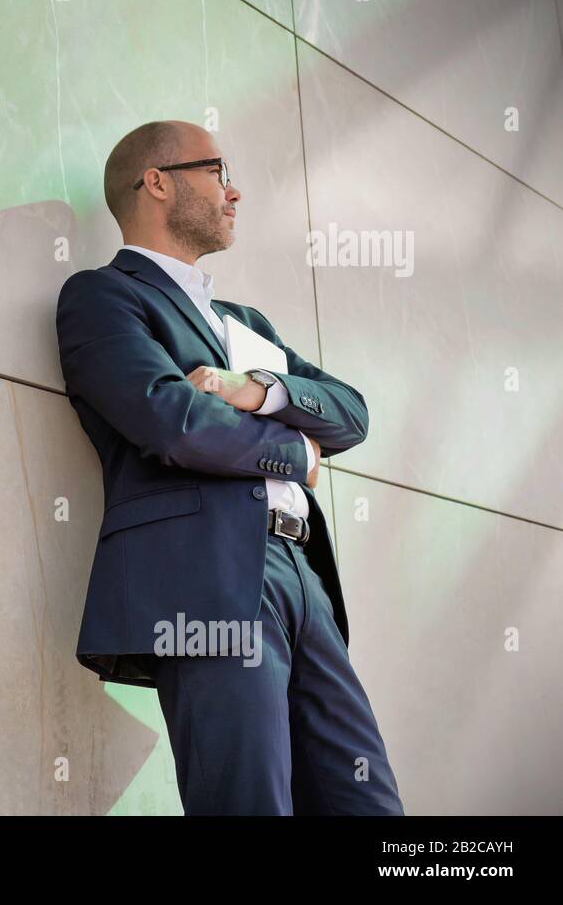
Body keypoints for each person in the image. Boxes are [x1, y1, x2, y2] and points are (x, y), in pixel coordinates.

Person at [55, 120, 403, 815]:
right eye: (218, 171)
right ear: (156, 182)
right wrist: (296, 450)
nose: (234, 190)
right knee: (248, 801)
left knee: (370, 804)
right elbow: (171, 420)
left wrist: (257, 389)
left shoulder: (248, 326)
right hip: (210, 583)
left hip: (305, 579)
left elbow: (352, 414)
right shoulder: (102, 296)